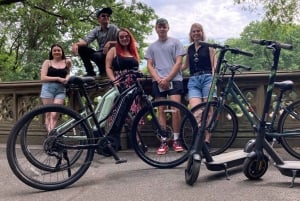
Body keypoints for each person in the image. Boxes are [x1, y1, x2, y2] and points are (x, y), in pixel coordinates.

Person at [145, 18, 186, 155]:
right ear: (156, 29)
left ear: (168, 28)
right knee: (160, 110)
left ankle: (176, 139)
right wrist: (158, 79)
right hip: (158, 81)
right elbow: (150, 65)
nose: (162, 29)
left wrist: (167, 79)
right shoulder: (152, 47)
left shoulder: (176, 42)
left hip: (175, 80)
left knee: (176, 109)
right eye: (159, 26)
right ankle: (163, 140)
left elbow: (179, 62)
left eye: (164, 26)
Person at [182, 23, 217, 148]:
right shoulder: (189, 49)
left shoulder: (209, 47)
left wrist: (214, 79)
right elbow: (185, 66)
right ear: (191, 34)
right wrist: (170, 71)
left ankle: (207, 139)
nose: (196, 33)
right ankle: (199, 137)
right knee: (196, 110)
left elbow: (214, 65)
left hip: (207, 78)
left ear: (202, 33)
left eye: (198, 31)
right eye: (194, 31)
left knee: (208, 110)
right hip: (194, 80)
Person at [105, 27, 142, 150]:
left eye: (126, 36)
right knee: (118, 113)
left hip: (134, 84)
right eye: (121, 37)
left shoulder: (133, 51)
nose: (124, 38)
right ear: (118, 39)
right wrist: (114, 81)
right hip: (119, 83)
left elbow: (137, 67)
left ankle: (136, 142)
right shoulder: (113, 50)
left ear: (129, 38)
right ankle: (115, 143)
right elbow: (108, 67)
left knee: (135, 112)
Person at [71, 7, 119, 77]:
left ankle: (105, 71)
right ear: (98, 19)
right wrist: (76, 44)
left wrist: (110, 43)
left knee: (97, 56)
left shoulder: (113, 28)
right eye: (103, 16)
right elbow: (86, 41)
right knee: (82, 48)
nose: (106, 17)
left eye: (108, 16)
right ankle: (90, 72)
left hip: (112, 55)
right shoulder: (96, 30)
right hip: (100, 54)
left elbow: (123, 41)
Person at [40, 44, 72, 132]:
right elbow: (43, 78)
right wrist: (57, 78)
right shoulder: (47, 62)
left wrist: (67, 79)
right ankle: (50, 135)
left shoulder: (67, 62)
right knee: (49, 114)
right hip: (48, 89)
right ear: (51, 52)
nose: (57, 52)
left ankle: (51, 135)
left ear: (62, 52)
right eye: (54, 50)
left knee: (55, 114)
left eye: (59, 50)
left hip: (61, 90)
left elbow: (68, 73)